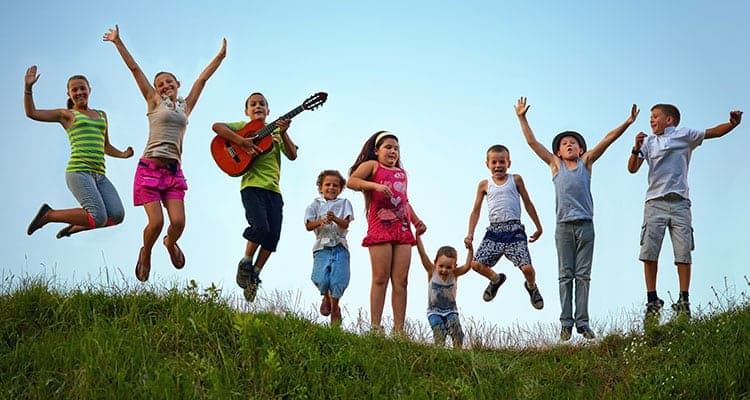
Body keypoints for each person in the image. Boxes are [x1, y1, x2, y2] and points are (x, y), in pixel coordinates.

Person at [103, 25, 226, 282]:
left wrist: (220, 57)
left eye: (169, 81)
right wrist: (118, 42)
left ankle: (170, 243)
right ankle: (145, 252)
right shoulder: (153, 102)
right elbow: (135, 70)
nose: (164, 85)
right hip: (149, 169)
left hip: (172, 172)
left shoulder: (185, 107)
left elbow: (202, 80)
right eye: (160, 83)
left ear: (177, 84)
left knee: (178, 222)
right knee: (156, 223)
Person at [516, 97, 638, 340]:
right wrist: (522, 117)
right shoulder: (554, 164)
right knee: (565, 275)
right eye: (564, 143)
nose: (569, 144)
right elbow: (532, 142)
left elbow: (607, 140)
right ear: (558, 152)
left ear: (581, 149)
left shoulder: (586, 162)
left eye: (573, 142)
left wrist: (628, 122)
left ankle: (583, 323)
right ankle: (566, 323)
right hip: (563, 228)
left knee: (583, 275)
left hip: (585, 226)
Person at [628, 104, 742, 321]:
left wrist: (732, 124)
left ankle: (684, 300)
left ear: (669, 120)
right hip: (654, 203)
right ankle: (652, 299)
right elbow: (632, 168)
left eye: (655, 117)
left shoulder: (685, 135)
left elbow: (712, 132)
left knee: (683, 252)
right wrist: (636, 147)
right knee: (649, 251)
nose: (651, 121)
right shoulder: (648, 142)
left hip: (680, 203)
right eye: (650, 118)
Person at [24, 65, 133, 239]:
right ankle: (49, 215)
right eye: (74, 90)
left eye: (83, 88)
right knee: (98, 217)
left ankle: (74, 228)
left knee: (117, 215)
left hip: (100, 175)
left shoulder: (101, 115)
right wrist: (28, 88)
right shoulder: (66, 114)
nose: (79, 92)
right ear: (69, 94)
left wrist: (122, 154)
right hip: (79, 171)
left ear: (89, 90)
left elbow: (105, 146)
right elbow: (32, 113)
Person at [212, 93, 296, 302]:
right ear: (247, 111)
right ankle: (245, 262)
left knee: (272, 236)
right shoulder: (242, 125)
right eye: (253, 104)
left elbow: (293, 155)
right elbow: (217, 127)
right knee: (260, 227)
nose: (258, 106)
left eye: (262, 104)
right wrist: (242, 141)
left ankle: (254, 275)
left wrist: (284, 133)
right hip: (251, 186)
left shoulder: (276, 132)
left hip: (274, 191)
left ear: (268, 111)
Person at [348, 131, 426, 334]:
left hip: (402, 228)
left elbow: (404, 201)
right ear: (377, 151)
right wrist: (374, 185)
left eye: (396, 148)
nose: (393, 151)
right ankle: (375, 326)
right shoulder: (373, 166)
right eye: (388, 147)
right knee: (380, 277)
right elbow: (352, 181)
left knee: (401, 280)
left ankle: (399, 330)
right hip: (380, 227)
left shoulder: (402, 173)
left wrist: (417, 222)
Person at [464, 144, 544, 314]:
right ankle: (495, 279)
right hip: (494, 232)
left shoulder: (516, 180)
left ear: (509, 163)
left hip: (514, 231)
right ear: (487, 164)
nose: (498, 165)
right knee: (476, 264)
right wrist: (470, 234)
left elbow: (528, 203)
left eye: (502, 161)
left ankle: (532, 287)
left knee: (528, 269)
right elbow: (475, 211)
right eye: (494, 162)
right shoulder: (484, 185)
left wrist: (538, 226)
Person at [303, 170, 354, 325]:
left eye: (335, 185)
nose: (331, 188)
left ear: (340, 189)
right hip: (322, 247)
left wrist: (335, 219)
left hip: (339, 245)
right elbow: (308, 225)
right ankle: (326, 297)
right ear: (320, 187)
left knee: (338, 278)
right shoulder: (314, 205)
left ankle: (335, 308)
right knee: (321, 278)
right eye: (327, 184)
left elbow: (345, 223)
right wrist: (321, 221)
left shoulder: (344, 203)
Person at [415, 233, 472, 348]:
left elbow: (467, 266)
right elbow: (422, 254)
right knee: (439, 331)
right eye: (441, 266)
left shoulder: (455, 274)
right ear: (435, 263)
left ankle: (457, 352)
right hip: (434, 312)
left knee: (457, 332)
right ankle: (439, 350)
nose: (444, 270)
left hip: (451, 311)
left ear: (454, 266)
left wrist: (470, 249)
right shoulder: (432, 272)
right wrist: (418, 237)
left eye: (448, 267)